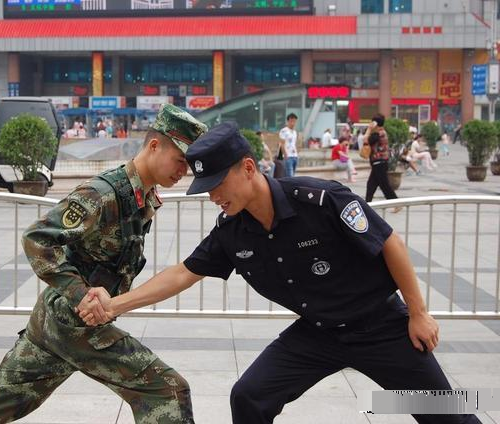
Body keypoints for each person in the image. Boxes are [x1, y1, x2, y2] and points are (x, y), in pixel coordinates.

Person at [78, 122, 481, 424]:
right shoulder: (231, 230)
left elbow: (388, 242)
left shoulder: (321, 200)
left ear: (249, 168)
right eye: (206, 188)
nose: (214, 195)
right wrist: (114, 304)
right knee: (249, 396)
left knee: (447, 415)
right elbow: (183, 273)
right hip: (318, 332)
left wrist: (418, 312)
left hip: (381, 325)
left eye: (219, 184)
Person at [0, 104, 207, 424]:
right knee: (166, 391)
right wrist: (81, 294)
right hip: (74, 323)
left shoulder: (143, 195)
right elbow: (37, 238)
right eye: (180, 160)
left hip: (57, 320)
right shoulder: (104, 193)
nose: (184, 170)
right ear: (154, 146)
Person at [365, 116, 398, 203]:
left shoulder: (379, 133)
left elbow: (366, 141)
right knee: (371, 185)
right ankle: (367, 204)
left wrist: (369, 129)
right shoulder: (380, 132)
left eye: (372, 122)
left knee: (384, 185)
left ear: (375, 123)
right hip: (379, 163)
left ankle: (397, 203)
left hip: (379, 163)